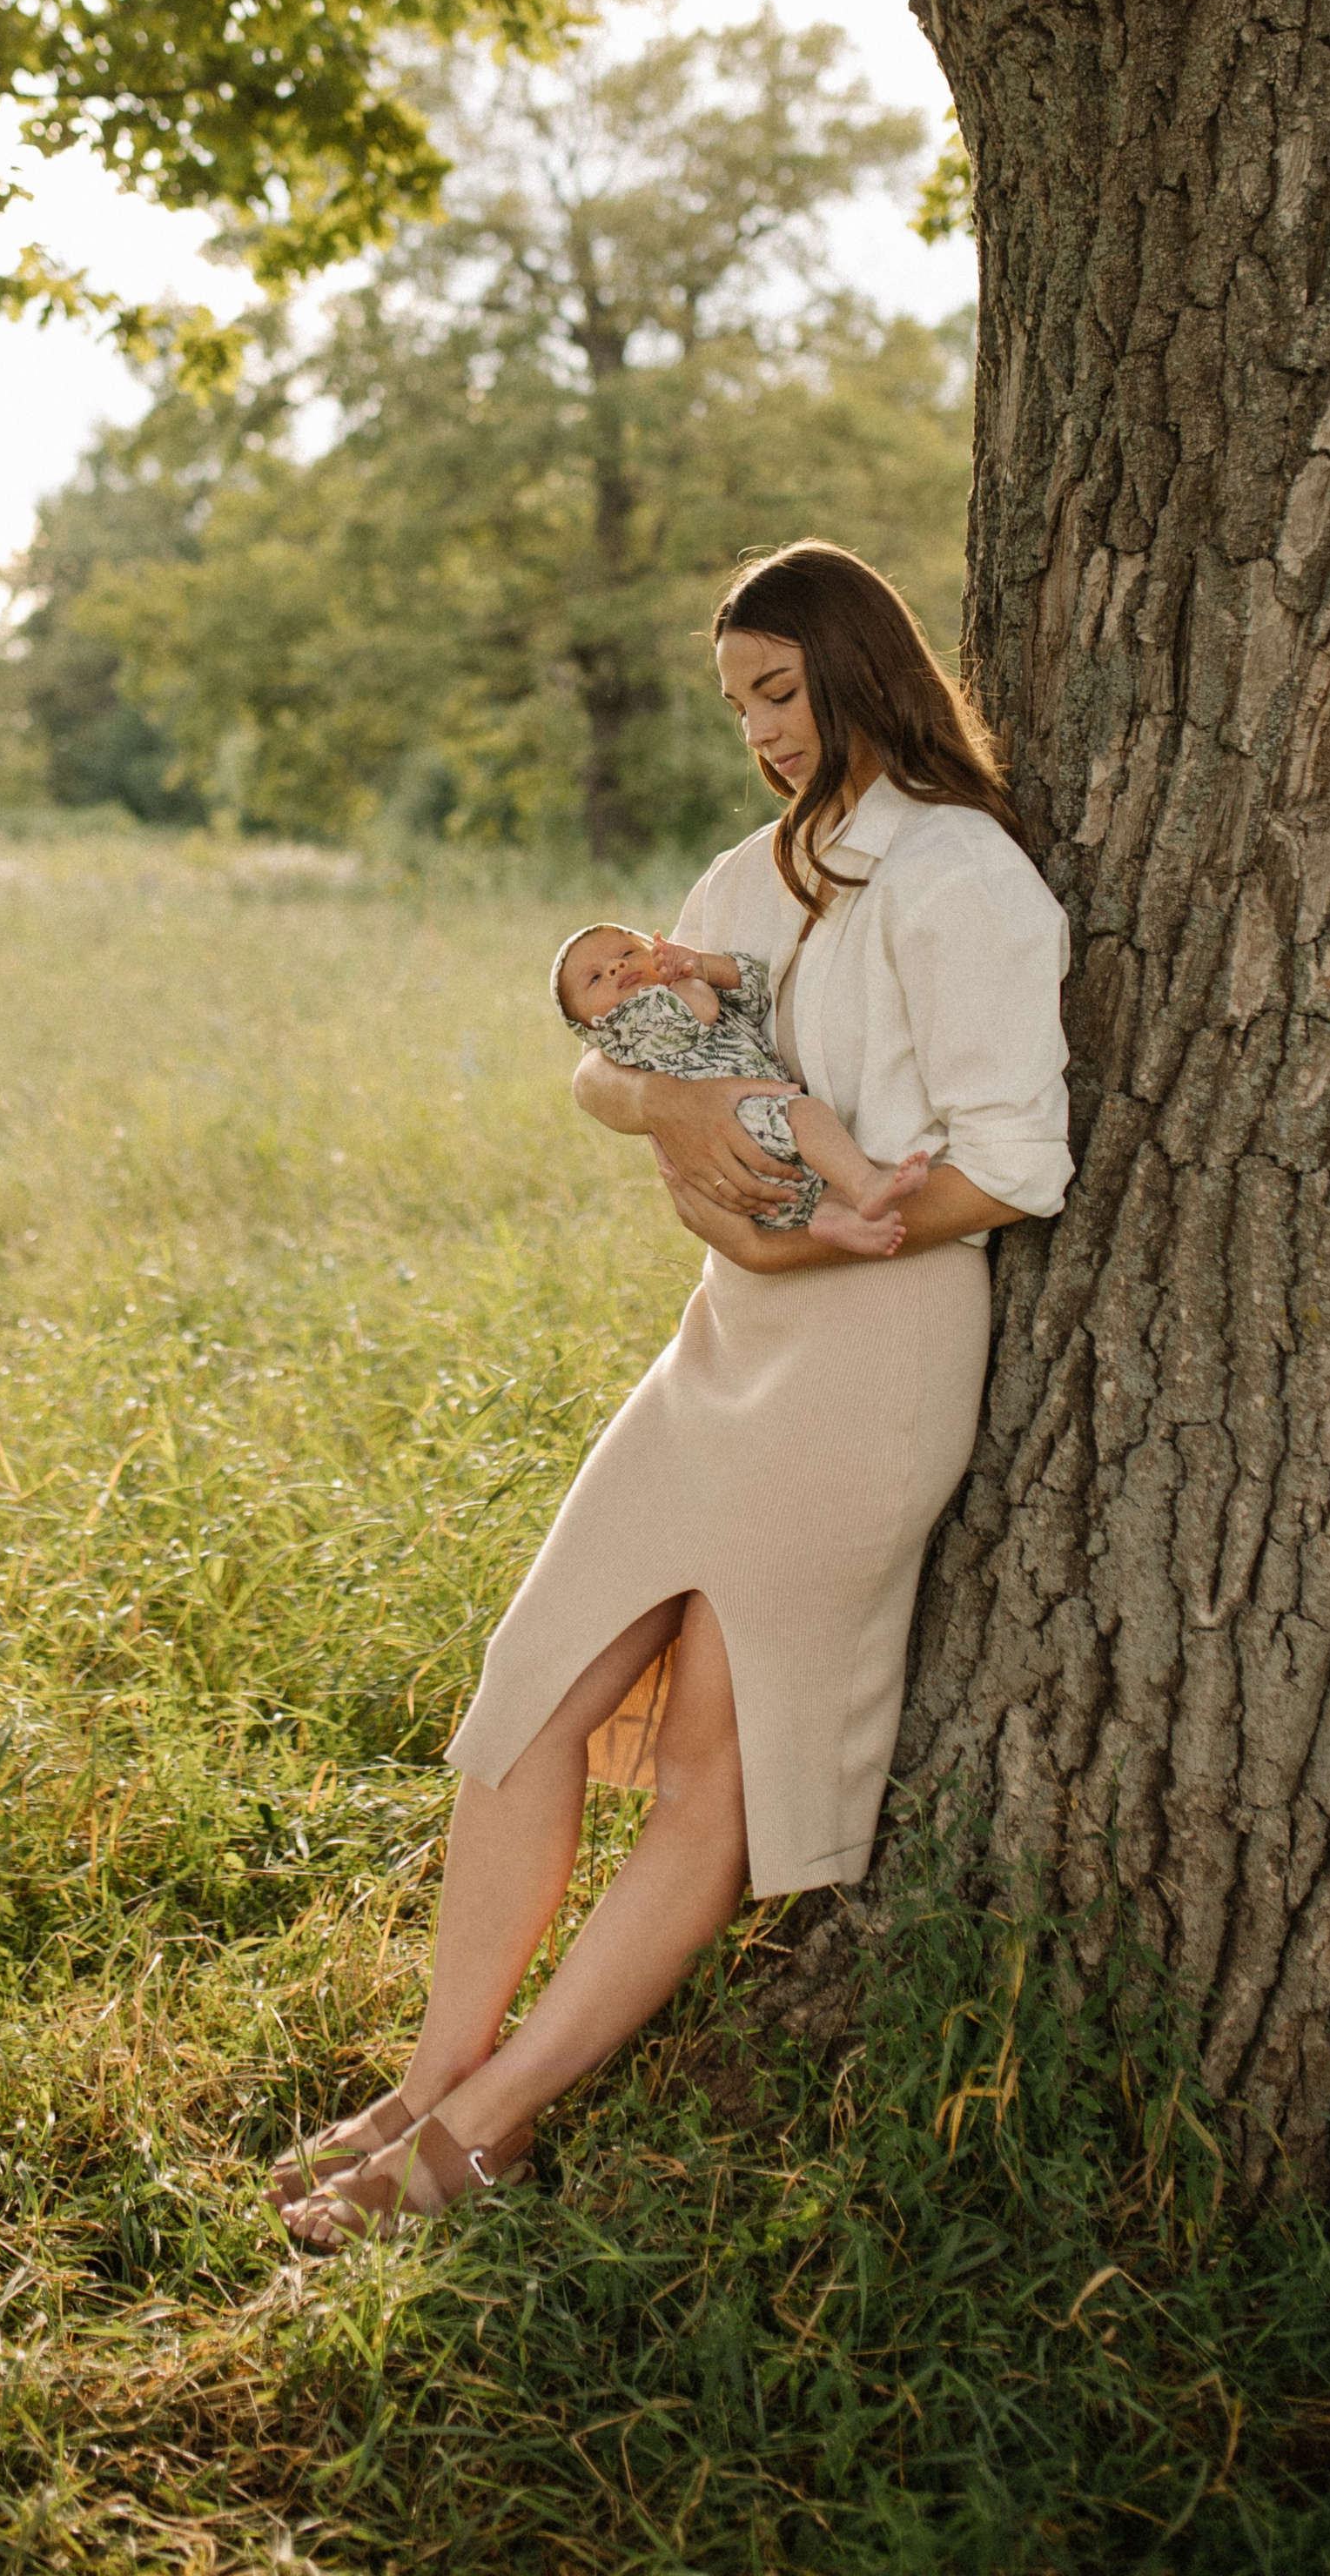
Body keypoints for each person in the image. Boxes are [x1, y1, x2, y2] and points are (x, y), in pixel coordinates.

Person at [273, 539, 1072, 2251]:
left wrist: (809, 1241)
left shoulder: (960, 878)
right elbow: (605, 1056)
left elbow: (1015, 1169)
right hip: (717, 1348)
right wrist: (667, 1119)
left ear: (860, 668)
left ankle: (480, 2130)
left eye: (776, 692)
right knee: (527, 1687)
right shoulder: (742, 874)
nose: (760, 733)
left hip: (869, 1357)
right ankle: (427, 2074)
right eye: (737, 707)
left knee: (719, 1761)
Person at [550, 921, 929, 1255]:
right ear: (588, 1025)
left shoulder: (673, 987)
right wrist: (688, 977)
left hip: (753, 1138)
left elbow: (758, 992)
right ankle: (866, 1184)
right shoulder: (627, 1025)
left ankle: (828, 1215)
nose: (616, 967)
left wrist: (703, 964)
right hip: (736, 1126)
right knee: (807, 1114)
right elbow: (699, 1012)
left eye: (628, 952)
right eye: (595, 978)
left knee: (818, 1157)